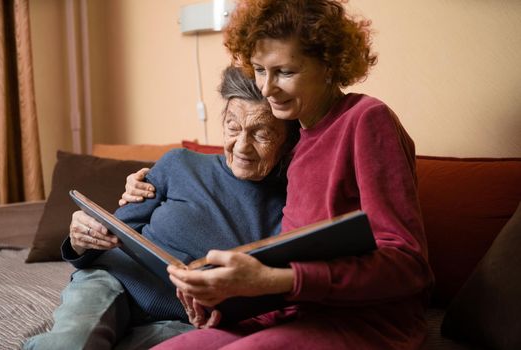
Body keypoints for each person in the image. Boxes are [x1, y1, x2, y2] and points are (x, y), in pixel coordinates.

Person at [141, 1, 434, 349]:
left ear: (329, 65)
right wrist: (226, 302)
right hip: (297, 314)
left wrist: (273, 281)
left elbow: (408, 265)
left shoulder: (366, 120)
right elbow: (289, 262)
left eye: (284, 72)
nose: (266, 89)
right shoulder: (293, 143)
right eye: (259, 70)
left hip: (367, 322)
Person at [22, 66, 299, 350]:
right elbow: (116, 233)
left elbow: (268, 298)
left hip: (187, 320)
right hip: (116, 281)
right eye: (233, 127)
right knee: (72, 345)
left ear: (288, 141)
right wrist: (82, 241)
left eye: (261, 134)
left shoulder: (294, 206)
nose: (242, 146)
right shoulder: (179, 164)